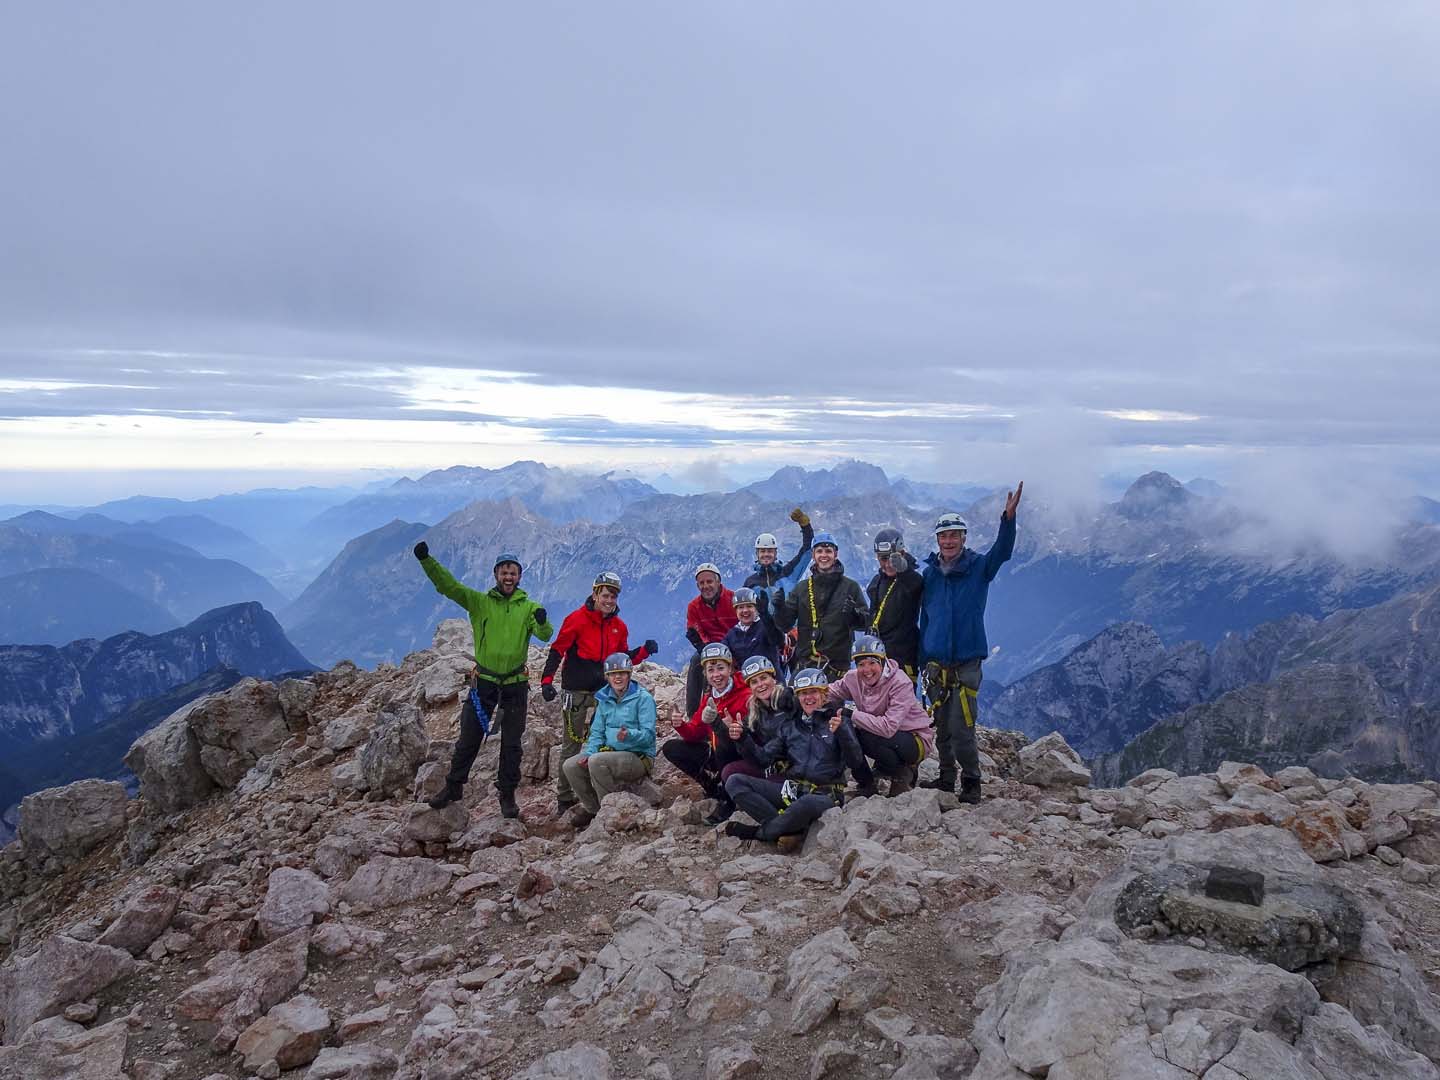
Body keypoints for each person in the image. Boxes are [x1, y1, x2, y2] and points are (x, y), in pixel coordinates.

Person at [415, 542, 553, 819]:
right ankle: (454, 786)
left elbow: (545, 635)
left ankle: (507, 794)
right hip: (485, 682)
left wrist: (542, 620)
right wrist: (427, 561)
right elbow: (449, 587)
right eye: (504, 571)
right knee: (469, 738)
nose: (508, 576)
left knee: (512, 743)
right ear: (496, 575)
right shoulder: (480, 602)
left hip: (515, 683)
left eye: (513, 572)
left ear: (520, 577)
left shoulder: (529, 607)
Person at [918, 483, 1024, 803]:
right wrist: (924, 658)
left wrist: (1008, 519)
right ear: (938, 541)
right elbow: (927, 619)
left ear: (964, 538)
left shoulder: (978, 568)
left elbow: (1002, 553)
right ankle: (946, 779)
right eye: (944, 536)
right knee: (943, 728)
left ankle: (972, 782)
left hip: (965, 663)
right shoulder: (931, 576)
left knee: (962, 727)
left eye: (954, 536)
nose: (948, 541)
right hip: (937, 663)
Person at [540, 572, 659, 815]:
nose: (609, 600)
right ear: (595, 594)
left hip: (601, 692)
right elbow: (558, 649)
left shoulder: (619, 626)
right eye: (605, 595)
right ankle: (565, 796)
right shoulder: (576, 619)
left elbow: (621, 660)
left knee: (603, 737)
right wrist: (547, 680)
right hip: (575, 690)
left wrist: (644, 651)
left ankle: (599, 791)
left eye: (613, 596)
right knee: (571, 744)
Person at [723, 667, 866, 852]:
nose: (808, 698)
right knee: (735, 781)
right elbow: (763, 759)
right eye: (803, 693)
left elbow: (856, 762)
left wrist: (843, 733)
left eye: (813, 692)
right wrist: (742, 738)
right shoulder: (791, 727)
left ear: (824, 694)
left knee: (805, 804)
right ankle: (790, 830)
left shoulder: (838, 722)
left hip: (825, 794)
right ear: (797, 697)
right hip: (794, 788)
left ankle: (762, 832)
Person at [826, 636, 934, 797]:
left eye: (872, 663)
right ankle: (868, 782)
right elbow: (827, 692)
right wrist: (799, 692)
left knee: (870, 736)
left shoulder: (900, 682)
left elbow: (888, 727)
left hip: (914, 739)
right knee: (847, 734)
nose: (867, 670)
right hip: (882, 736)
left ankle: (903, 772)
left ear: (882, 661)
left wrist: (852, 714)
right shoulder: (853, 678)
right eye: (861, 664)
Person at [560, 652, 657, 829]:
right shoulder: (604, 698)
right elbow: (596, 732)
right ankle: (594, 809)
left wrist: (629, 736)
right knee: (571, 766)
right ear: (607, 677)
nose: (617, 677)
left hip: (638, 757)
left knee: (597, 761)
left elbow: (649, 737)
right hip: (611, 753)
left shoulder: (643, 699)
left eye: (622, 673)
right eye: (613, 674)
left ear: (629, 674)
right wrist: (589, 752)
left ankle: (611, 813)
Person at [705, 654, 794, 825]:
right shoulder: (755, 712)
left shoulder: (790, 700)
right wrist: (718, 724)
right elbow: (750, 752)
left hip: (795, 770)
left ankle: (780, 823)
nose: (760, 685)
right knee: (730, 771)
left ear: (773, 678)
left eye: (763, 678)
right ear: (750, 686)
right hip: (772, 766)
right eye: (754, 681)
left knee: (761, 784)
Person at [661, 641, 750, 802]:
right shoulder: (709, 698)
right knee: (671, 748)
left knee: (723, 741)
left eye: (721, 668)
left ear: (730, 669)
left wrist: (734, 729)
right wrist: (680, 724)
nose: (716, 675)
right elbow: (695, 733)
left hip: (740, 756)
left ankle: (727, 796)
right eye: (711, 670)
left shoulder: (745, 695)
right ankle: (710, 785)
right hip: (717, 754)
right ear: (705, 674)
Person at [774, 532, 869, 680]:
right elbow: (785, 625)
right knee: (790, 703)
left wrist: (853, 615)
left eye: (828, 551)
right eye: (819, 551)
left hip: (836, 671)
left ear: (835, 554)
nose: (824, 555)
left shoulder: (850, 587)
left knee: (831, 704)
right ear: (813, 555)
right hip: (804, 666)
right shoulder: (802, 588)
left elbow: (866, 623)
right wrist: (779, 609)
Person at [865, 528, 924, 681]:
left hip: (904, 661)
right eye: (883, 559)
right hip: (878, 658)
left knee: (901, 704)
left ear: (902, 553)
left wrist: (904, 570)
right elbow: (874, 618)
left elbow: (916, 586)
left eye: (893, 558)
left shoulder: (911, 581)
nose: (889, 564)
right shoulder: (876, 583)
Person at [684, 563, 738, 716]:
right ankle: (693, 714)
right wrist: (703, 646)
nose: (705, 586)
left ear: (718, 582)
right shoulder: (694, 607)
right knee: (696, 661)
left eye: (709, 581)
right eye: (701, 583)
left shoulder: (733, 599)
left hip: (734, 645)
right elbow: (695, 630)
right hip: (710, 646)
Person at [743, 508, 815, 610]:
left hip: (788, 625)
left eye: (770, 551)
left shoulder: (788, 572)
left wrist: (805, 527)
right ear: (757, 554)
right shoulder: (750, 583)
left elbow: (807, 550)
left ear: (775, 553)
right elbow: (744, 608)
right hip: (763, 625)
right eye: (762, 551)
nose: (766, 554)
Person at [722, 587, 784, 676]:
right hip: (747, 684)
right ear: (735, 611)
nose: (745, 610)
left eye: (749, 606)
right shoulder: (731, 634)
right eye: (740, 607)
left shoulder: (765, 625)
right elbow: (720, 656)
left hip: (773, 681)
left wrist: (766, 616)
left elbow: (778, 640)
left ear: (756, 608)